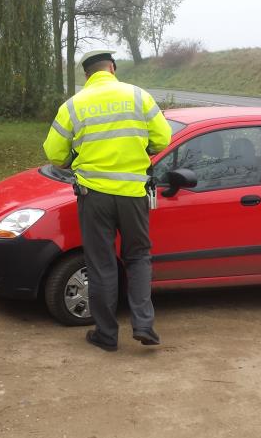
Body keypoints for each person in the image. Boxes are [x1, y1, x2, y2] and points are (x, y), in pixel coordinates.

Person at [43, 49, 172, 352]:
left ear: (86, 74)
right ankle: (143, 324)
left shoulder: (74, 105)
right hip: (133, 195)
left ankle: (106, 334)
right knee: (138, 258)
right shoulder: (139, 97)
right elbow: (162, 139)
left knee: (101, 264)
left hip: (94, 197)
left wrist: (75, 156)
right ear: (112, 68)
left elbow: (55, 154)